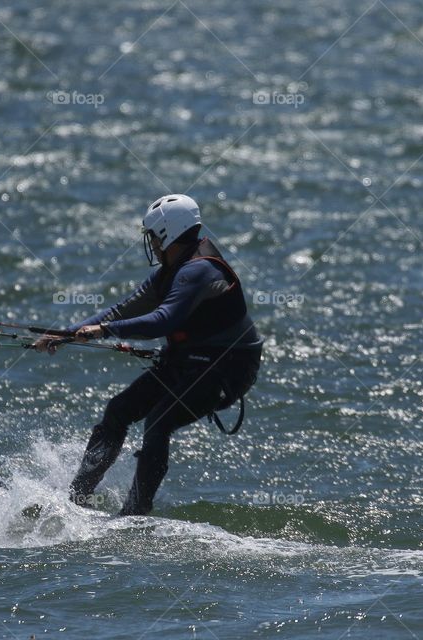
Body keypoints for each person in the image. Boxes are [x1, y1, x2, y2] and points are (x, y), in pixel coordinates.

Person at [34, 194, 263, 516]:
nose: (152, 244)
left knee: (158, 421)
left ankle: (135, 513)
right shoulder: (172, 270)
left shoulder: (197, 271)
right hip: (188, 361)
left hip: (227, 367)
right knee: (118, 411)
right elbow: (122, 309)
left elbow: (162, 320)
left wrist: (105, 331)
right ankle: (77, 498)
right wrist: (67, 334)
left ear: (167, 233)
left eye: (153, 236)